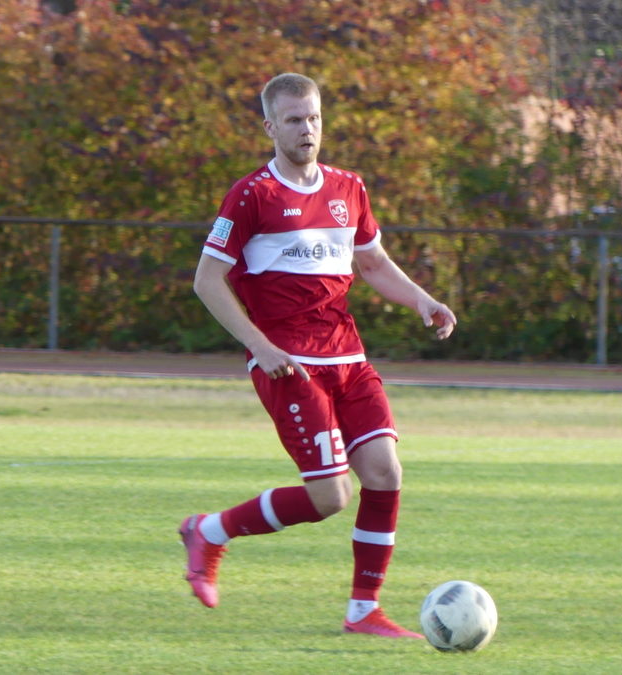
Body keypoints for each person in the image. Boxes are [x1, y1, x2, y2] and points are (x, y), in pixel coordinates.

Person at [179, 72, 457, 639]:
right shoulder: (252, 195)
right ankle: (209, 532)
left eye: (313, 118)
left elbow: (373, 264)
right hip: (288, 364)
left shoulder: (348, 187)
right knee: (331, 497)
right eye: (293, 120)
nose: (306, 130)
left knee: (384, 473)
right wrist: (259, 344)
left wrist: (422, 299)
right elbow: (207, 281)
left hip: (349, 358)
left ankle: (364, 612)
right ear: (270, 127)